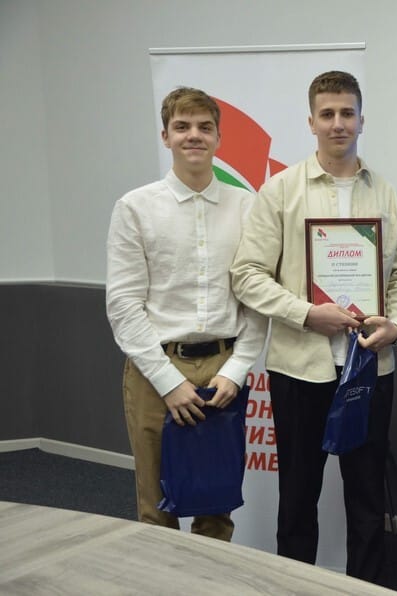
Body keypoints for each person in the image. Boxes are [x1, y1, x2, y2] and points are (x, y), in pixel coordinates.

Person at [230, 70, 397, 582]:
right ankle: (296, 588)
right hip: (299, 369)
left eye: (347, 113)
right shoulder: (280, 191)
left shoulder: (388, 196)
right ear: (311, 121)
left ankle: (365, 588)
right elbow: (246, 275)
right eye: (328, 114)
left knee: (367, 499)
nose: (339, 123)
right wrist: (305, 313)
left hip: (369, 368)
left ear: (362, 119)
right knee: (297, 498)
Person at [106, 86, 267, 541]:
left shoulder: (248, 207)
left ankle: (210, 580)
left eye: (204, 127)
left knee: (217, 507)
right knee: (157, 506)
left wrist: (236, 369)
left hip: (223, 369)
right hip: (155, 368)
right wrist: (168, 382)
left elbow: (256, 298)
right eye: (182, 127)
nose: (193, 135)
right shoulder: (135, 208)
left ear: (218, 137)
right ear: (165, 136)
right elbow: (123, 305)